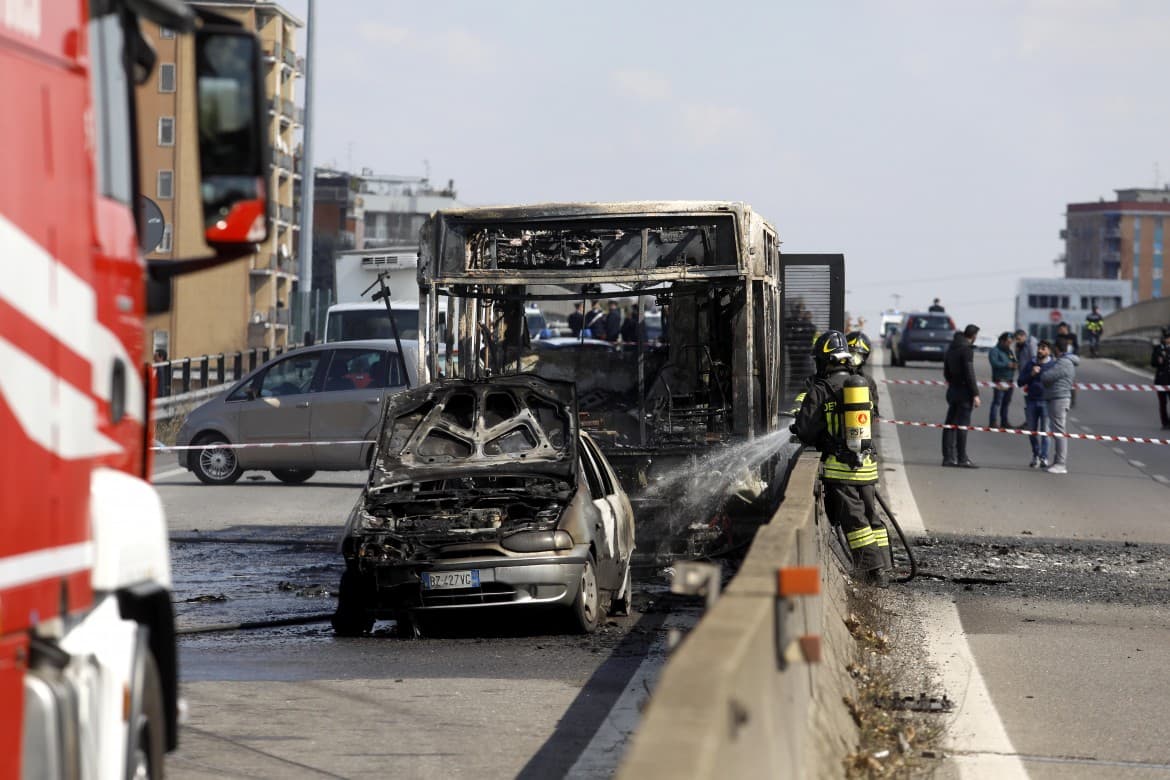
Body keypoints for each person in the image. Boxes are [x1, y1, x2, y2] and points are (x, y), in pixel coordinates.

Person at [793, 330, 890, 587]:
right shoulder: (863, 384)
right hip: (867, 466)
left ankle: (874, 572)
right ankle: (886, 566)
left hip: (841, 469)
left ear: (824, 360)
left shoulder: (821, 389)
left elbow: (805, 430)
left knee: (855, 522)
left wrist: (797, 427)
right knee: (872, 517)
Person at [942, 324, 981, 467]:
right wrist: (975, 394)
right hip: (964, 392)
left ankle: (948, 457)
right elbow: (969, 373)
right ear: (974, 336)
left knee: (950, 424)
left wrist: (953, 383)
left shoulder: (951, 348)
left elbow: (946, 372)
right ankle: (962, 458)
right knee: (962, 425)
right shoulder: (967, 350)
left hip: (952, 390)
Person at [1040, 335, 1079, 474]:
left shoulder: (1063, 363)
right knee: (1057, 431)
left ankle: (1060, 463)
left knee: (1059, 432)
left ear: (1056, 349)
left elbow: (1046, 377)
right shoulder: (1065, 361)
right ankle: (1058, 462)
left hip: (1059, 398)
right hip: (1057, 397)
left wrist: (1042, 370)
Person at [1018, 339, 1053, 468]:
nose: (1040, 350)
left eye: (1043, 348)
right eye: (1039, 348)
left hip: (1046, 402)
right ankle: (1035, 455)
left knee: (1045, 431)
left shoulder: (1053, 365)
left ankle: (1044, 457)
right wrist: (1031, 374)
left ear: (1049, 351)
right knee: (1032, 431)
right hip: (1031, 401)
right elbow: (1020, 381)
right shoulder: (1030, 364)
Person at [846, 330, 880, 418]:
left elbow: (874, 411)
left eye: (859, 355)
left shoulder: (868, 381)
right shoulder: (835, 377)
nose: (854, 358)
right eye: (851, 353)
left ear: (865, 357)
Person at [987, 332, 1017, 428]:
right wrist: (1007, 365)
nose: (1009, 344)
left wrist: (1015, 364)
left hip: (1010, 380)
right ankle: (993, 421)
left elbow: (1013, 360)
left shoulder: (1009, 351)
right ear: (1002, 341)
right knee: (997, 402)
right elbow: (994, 363)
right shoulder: (995, 351)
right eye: (1008, 342)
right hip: (1000, 379)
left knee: (1006, 402)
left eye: (1010, 342)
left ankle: (1004, 421)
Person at [1151, 328, 1170, 429]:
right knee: (1163, 403)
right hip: (1162, 380)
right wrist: (1158, 361)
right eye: (1167, 338)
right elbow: (1153, 363)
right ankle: (1165, 423)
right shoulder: (1158, 349)